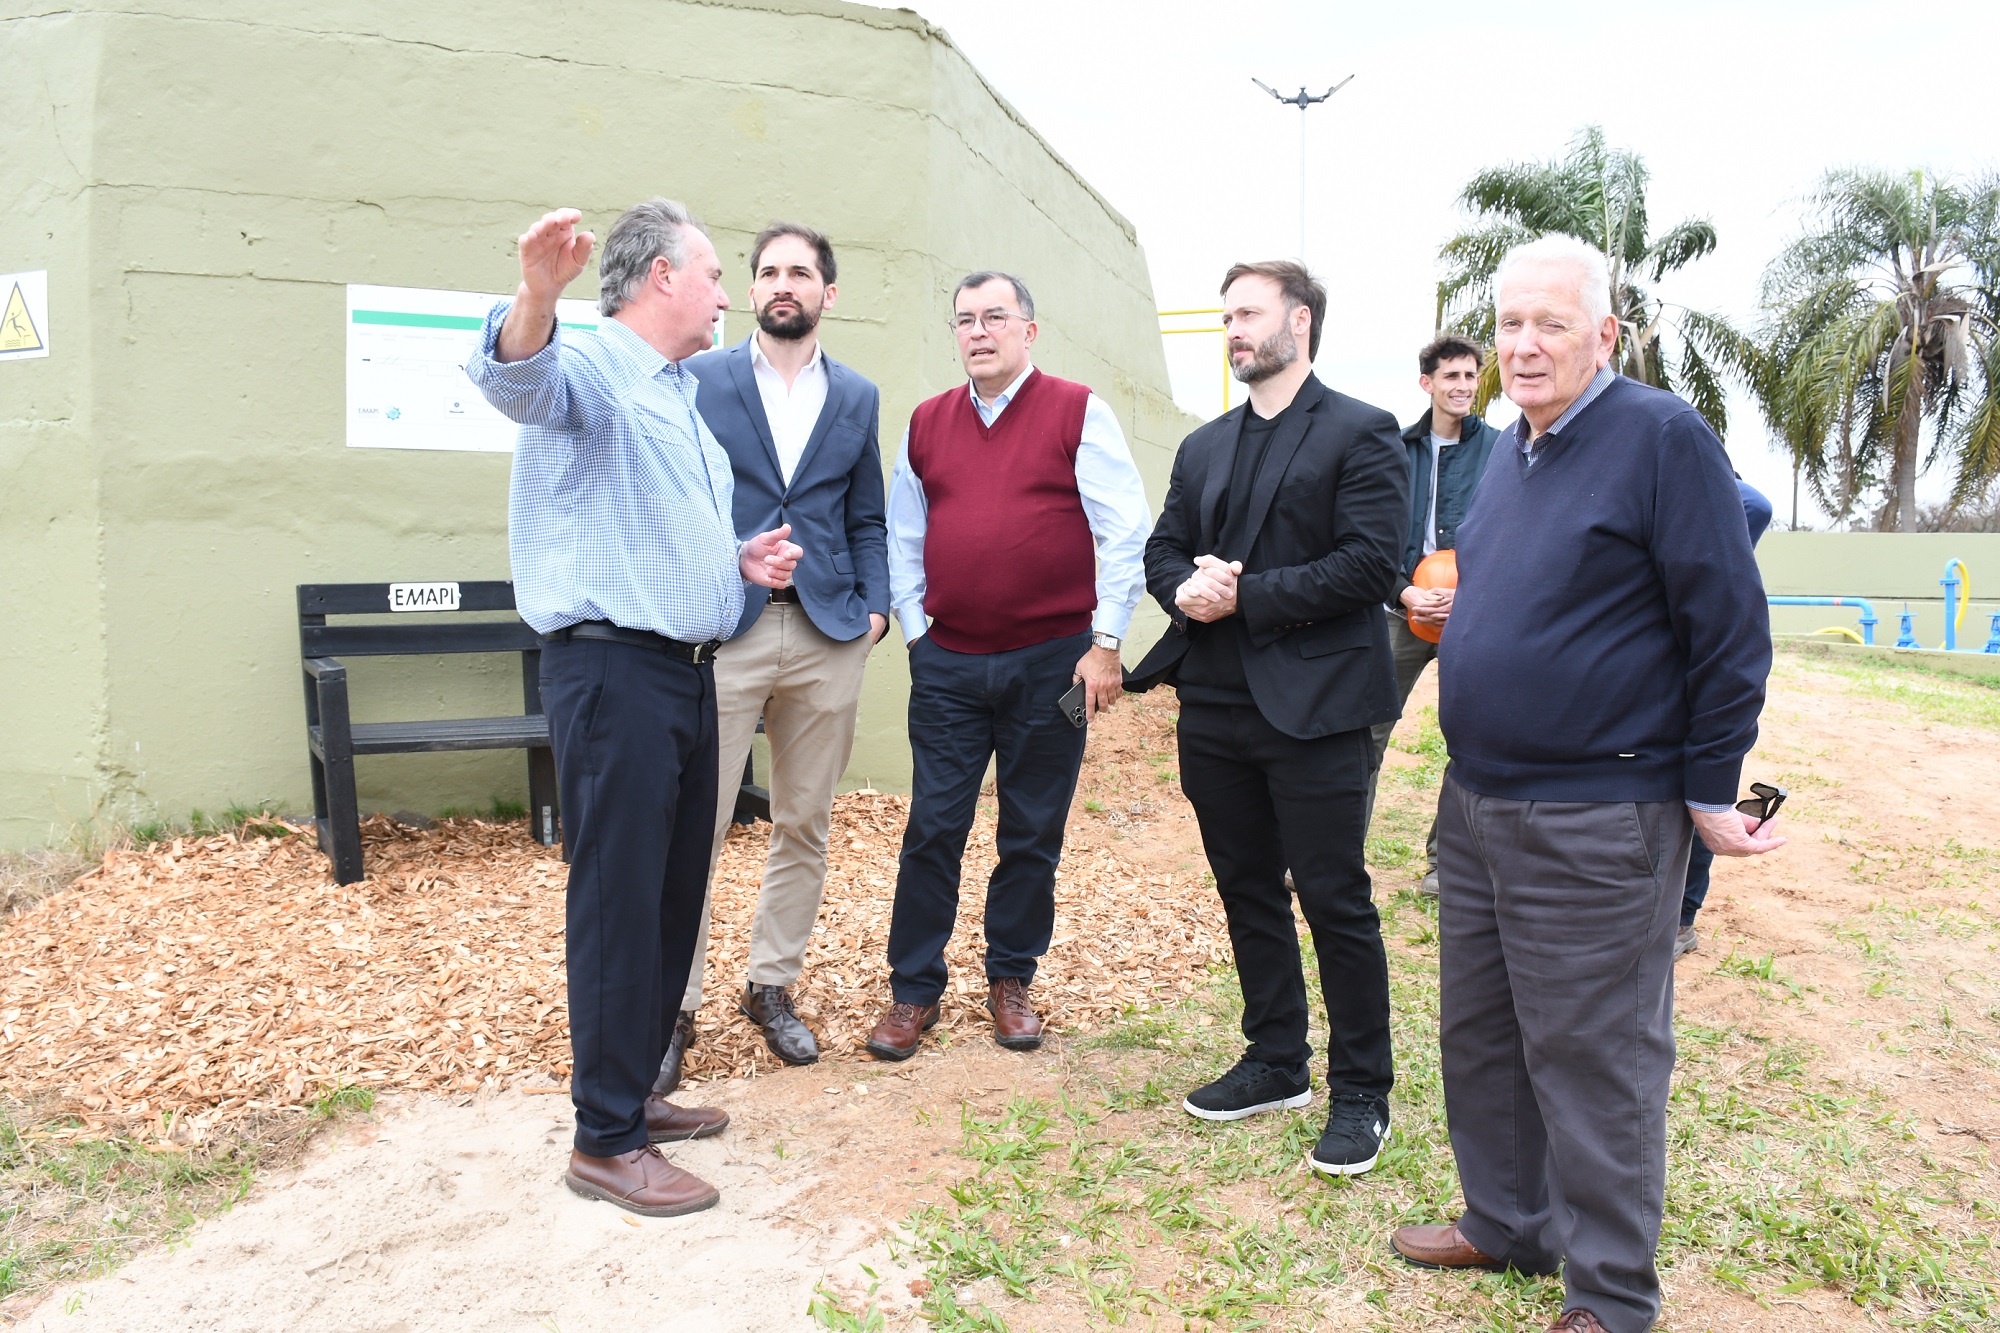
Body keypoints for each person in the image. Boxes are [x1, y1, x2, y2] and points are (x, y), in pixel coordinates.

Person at [1388, 235, 1783, 1333]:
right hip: (1477, 801)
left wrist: (1711, 788)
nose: (1522, 346)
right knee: (1481, 1033)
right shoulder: (1514, 450)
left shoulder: (1659, 436)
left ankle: (1609, 1296)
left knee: (1595, 1057)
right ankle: (1509, 1220)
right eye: (1508, 324)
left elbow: (1727, 628)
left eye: (1549, 324)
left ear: (1602, 335)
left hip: (1598, 813)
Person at [466, 200, 802, 1218]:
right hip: (614, 675)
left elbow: (651, 526)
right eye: (714, 274)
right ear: (661, 276)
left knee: (667, 896)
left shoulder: (675, 393)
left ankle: (636, 1093)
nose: (727, 294)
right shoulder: (595, 365)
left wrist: (733, 561)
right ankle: (604, 1142)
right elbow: (518, 380)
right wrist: (535, 294)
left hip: (682, 674)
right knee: (618, 904)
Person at [1127, 260, 1408, 1176]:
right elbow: (1163, 548)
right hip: (1213, 701)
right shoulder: (1204, 445)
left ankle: (1362, 1090)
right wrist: (1184, 587)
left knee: (1334, 897)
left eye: (1248, 313)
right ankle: (1277, 1058)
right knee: (1246, 886)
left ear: (1301, 321)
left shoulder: (1362, 431)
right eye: (1227, 317)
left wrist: (1242, 596)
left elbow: (1370, 565)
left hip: (1317, 709)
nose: (1233, 330)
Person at [866, 271, 1152, 1060]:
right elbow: (902, 534)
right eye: (964, 319)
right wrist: (918, 635)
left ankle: (1011, 978)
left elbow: (1123, 530)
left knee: (1031, 830)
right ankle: (913, 989)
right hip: (950, 662)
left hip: (1052, 665)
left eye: (995, 316)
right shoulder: (927, 423)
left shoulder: (1076, 410)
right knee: (933, 827)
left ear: (1029, 330)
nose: (978, 331)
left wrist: (1105, 643)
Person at [650, 222, 889, 1092]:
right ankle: (672, 1006)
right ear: (750, 290)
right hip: (727, 630)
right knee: (695, 825)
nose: (784, 283)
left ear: (829, 291)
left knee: (804, 822)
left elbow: (867, 513)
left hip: (828, 634)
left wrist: (876, 611)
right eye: (768, 272)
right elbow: (676, 496)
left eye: (801, 272)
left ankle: (771, 984)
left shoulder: (857, 395)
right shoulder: (701, 378)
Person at [1365, 335, 1500, 897]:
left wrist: (1473, 596)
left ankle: (1446, 866)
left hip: (1474, 618)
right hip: (1402, 611)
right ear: (1428, 383)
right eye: (1452, 376)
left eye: (1470, 376)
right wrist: (1403, 593)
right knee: (1366, 731)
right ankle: (1335, 855)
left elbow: (1510, 534)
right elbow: (1370, 536)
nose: (1463, 386)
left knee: (1469, 741)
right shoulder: (1394, 449)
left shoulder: (1501, 448)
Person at [1675, 477, 1775, 959]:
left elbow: (1755, 503)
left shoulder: (1693, 485)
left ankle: (1681, 918)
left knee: (1697, 793)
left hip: (1688, 666)